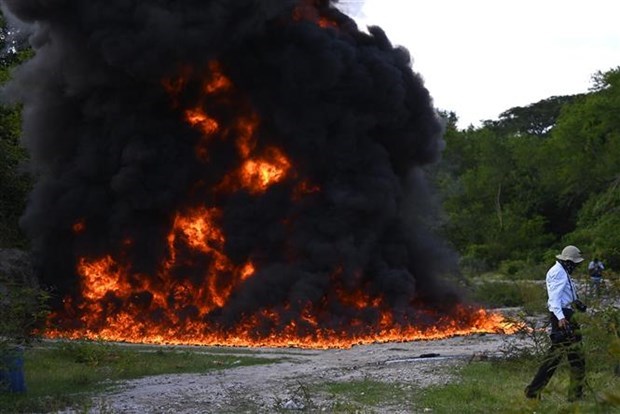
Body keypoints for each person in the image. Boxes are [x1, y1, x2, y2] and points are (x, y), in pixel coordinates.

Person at [525, 245, 586, 401]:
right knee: (576, 357)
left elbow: (564, 294)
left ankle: (534, 391)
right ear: (568, 261)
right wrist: (561, 318)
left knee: (555, 357)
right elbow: (554, 300)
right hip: (563, 317)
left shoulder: (562, 271)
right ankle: (574, 396)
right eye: (575, 263)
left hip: (564, 314)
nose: (576, 267)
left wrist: (576, 301)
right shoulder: (558, 273)